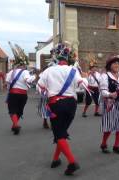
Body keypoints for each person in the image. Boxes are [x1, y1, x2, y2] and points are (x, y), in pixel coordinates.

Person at [37, 43, 88, 176]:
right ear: (67, 57)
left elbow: (39, 87)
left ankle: (72, 162)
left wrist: (46, 92)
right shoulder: (73, 70)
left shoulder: (48, 71)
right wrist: (84, 80)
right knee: (62, 133)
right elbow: (82, 84)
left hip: (56, 105)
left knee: (59, 134)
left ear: (55, 57)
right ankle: (55, 159)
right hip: (71, 105)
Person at [5, 43, 36, 135]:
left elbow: (7, 83)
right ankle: (15, 124)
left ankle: (15, 124)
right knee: (19, 110)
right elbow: (29, 80)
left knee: (12, 110)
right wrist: (35, 76)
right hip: (23, 95)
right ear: (23, 64)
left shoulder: (11, 72)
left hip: (12, 94)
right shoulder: (25, 72)